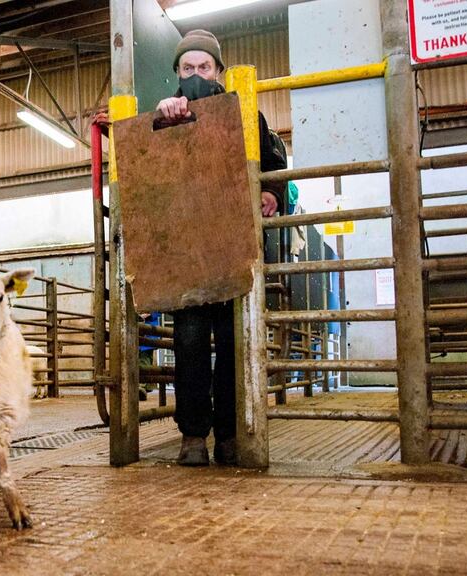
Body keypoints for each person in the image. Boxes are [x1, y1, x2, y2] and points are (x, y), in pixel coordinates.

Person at [155, 30, 286, 466]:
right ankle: (193, 435)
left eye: (204, 67)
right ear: (176, 73)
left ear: (219, 72)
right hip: (187, 252)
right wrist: (160, 119)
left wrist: (271, 193)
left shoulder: (248, 114)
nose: (196, 75)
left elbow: (273, 169)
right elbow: (147, 171)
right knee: (190, 342)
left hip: (233, 246)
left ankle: (230, 434)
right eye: (187, 69)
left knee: (234, 342)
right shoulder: (163, 117)